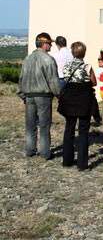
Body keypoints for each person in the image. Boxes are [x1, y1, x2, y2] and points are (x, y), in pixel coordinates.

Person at [17, 32, 60, 160]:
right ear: (43, 44)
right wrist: (58, 95)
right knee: (44, 125)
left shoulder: (27, 59)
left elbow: (22, 78)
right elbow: (53, 80)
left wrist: (22, 95)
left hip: (29, 96)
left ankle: (30, 149)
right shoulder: (48, 59)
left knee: (30, 125)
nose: (51, 46)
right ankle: (45, 152)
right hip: (43, 96)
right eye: (49, 44)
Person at [61, 41, 96, 170]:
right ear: (84, 53)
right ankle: (82, 163)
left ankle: (67, 160)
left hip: (70, 99)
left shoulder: (67, 66)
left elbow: (64, 79)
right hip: (83, 100)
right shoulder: (87, 67)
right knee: (83, 131)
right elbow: (93, 82)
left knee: (69, 129)